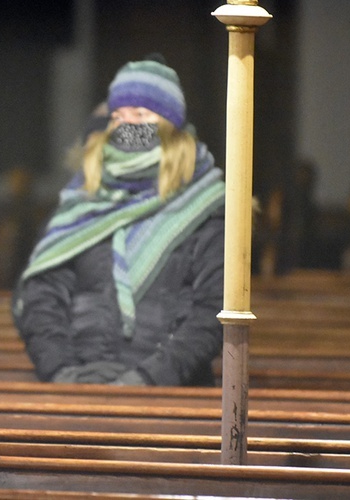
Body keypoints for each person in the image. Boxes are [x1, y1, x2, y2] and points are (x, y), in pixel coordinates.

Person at [13, 55, 226, 387]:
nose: (126, 126)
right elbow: (44, 296)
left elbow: (212, 311)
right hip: (76, 387)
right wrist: (61, 372)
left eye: (140, 115)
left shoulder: (205, 207)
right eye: (117, 116)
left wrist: (145, 380)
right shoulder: (82, 200)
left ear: (171, 124)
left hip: (171, 396)